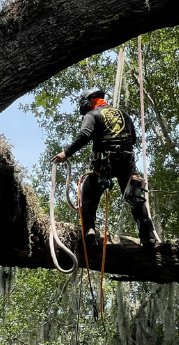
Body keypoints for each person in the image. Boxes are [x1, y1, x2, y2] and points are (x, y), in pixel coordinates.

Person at [52, 88, 157, 248]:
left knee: (88, 194)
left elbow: (85, 135)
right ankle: (148, 235)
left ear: (89, 101)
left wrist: (66, 153)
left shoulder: (92, 115)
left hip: (103, 161)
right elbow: (133, 139)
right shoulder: (125, 115)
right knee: (134, 197)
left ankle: (89, 231)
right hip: (126, 162)